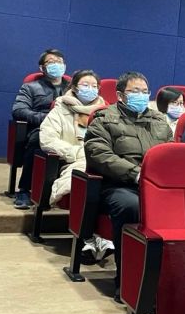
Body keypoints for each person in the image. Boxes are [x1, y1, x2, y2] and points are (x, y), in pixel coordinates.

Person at [84, 71, 172, 298]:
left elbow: (171, 153)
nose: (141, 95)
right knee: (132, 206)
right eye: (135, 91)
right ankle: (127, 281)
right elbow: (99, 154)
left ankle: (169, 284)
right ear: (120, 95)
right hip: (118, 185)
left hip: (157, 186)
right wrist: (135, 173)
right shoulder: (104, 118)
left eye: (145, 92)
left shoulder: (159, 120)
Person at [39, 70, 112, 259]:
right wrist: (78, 153)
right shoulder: (60, 109)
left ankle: (100, 236)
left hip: (102, 161)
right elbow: (47, 140)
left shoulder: (107, 113)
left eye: (94, 86)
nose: (90, 89)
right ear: (74, 87)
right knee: (87, 178)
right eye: (85, 85)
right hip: (71, 160)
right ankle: (87, 237)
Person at [10, 48, 69, 209]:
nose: (56, 65)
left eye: (59, 61)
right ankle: (24, 189)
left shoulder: (73, 88)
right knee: (38, 140)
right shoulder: (30, 87)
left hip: (69, 129)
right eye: (51, 62)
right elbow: (19, 110)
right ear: (42, 67)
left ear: (64, 66)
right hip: (41, 128)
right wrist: (47, 119)